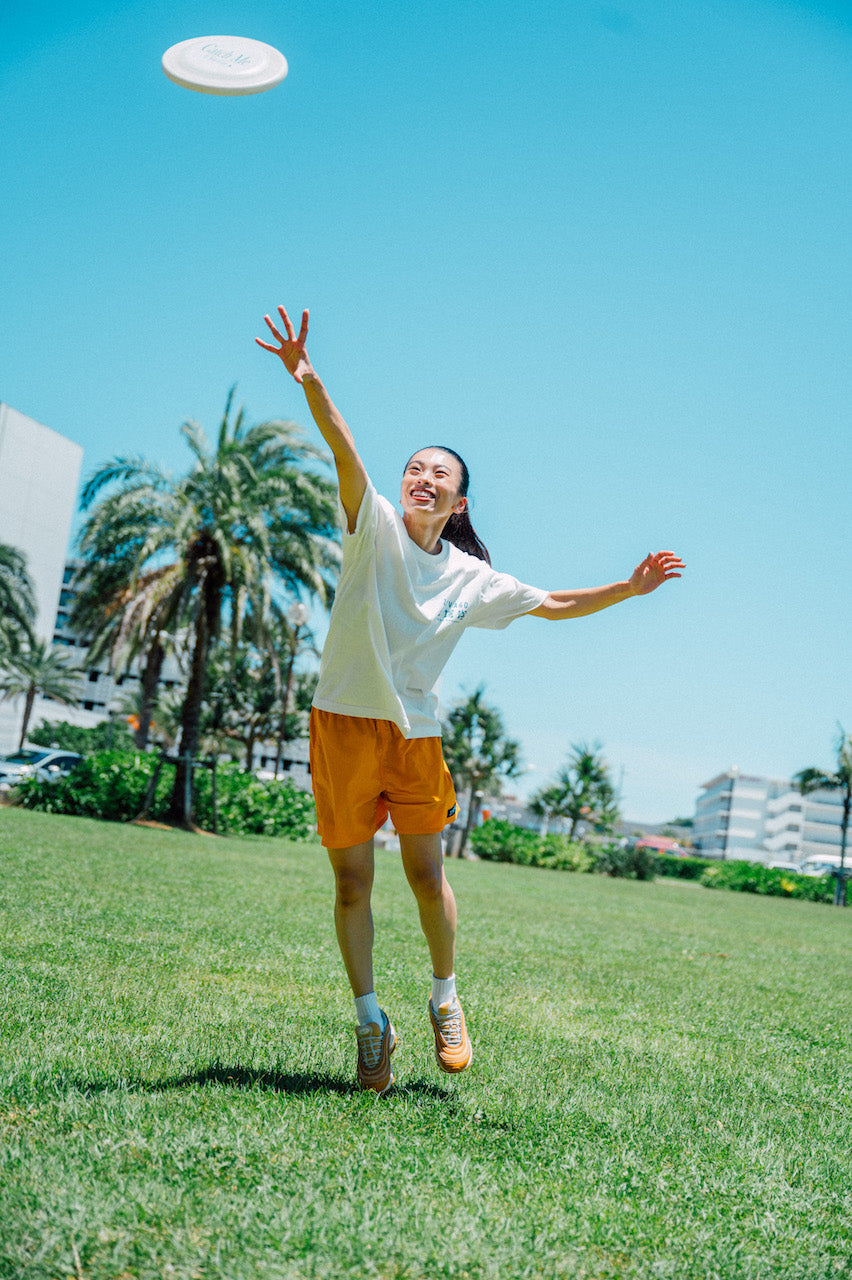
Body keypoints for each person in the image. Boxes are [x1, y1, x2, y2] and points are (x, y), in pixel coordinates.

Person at [256, 305, 684, 1095]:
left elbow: (553, 604)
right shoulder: (370, 527)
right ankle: (368, 1022)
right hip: (342, 727)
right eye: (414, 468)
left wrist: (628, 588)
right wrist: (309, 379)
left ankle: (445, 1001)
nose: (421, 478)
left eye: (439, 476)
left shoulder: (469, 576)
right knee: (352, 885)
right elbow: (344, 449)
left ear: (457, 505)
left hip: (415, 738)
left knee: (426, 879)